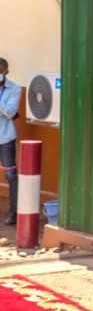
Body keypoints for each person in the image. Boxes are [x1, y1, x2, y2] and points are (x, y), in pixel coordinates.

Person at [0, 58, 21, 226]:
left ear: (6, 72)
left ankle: (14, 212)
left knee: (11, 175)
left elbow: (10, 112)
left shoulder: (14, 88)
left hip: (6, 138)